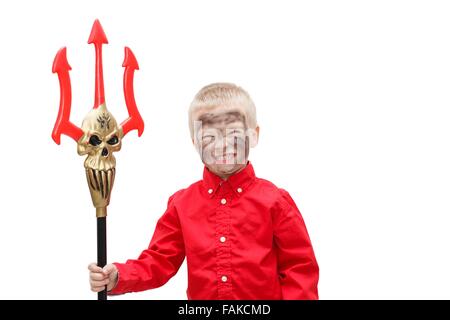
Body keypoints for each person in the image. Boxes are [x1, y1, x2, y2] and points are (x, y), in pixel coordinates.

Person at [88, 82, 319, 299]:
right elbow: (159, 261)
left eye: (234, 135)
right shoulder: (182, 204)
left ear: (254, 134)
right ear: (194, 142)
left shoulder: (276, 201)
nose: (222, 145)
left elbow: (300, 269)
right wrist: (119, 276)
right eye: (209, 137)